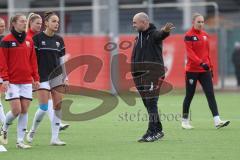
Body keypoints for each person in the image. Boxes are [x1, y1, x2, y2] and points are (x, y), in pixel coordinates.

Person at [131, 12, 174, 142]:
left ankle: (152, 131)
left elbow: (161, 35)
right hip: (139, 75)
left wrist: (165, 31)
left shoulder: (153, 34)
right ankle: (158, 130)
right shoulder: (138, 37)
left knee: (151, 102)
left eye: (135, 22)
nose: (133, 25)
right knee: (147, 103)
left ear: (144, 22)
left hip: (153, 74)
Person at [182, 13, 230, 129]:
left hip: (205, 70)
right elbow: (190, 53)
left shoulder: (205, 35)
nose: (201, 24)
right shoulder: (188, 35)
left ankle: (217, 121)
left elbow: (207, 54)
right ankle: (184, 121)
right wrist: (200, 63)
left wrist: (210, 68)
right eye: (198, 22)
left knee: (210, 94)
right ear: (193, 22)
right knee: (189, 95)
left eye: (202, 22)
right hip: (192, 70)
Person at [27, 11, 67, 146]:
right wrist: (33, 77)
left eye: (58, 22)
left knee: (58, 106)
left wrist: (65, 77)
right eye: (54, 21)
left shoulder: (59, 40)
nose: (57, 24)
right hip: (41, 77)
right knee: (44, 107)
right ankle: (32, 130)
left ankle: (55, 138)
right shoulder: (37, 39)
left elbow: (62, 61)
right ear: (47, 23)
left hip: (56, 77)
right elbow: (31, 59)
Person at [0, 14, 40, 149]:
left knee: (24, 110)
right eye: (22, 21)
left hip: (27, 81)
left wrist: (36, 77)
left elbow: (33, 60)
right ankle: (4, 128)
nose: (24, 23)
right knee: (16, 110)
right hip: (12, 82)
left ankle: (20, 141)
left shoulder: (29, 40)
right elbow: (2, 62)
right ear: (14, 23)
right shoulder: (6, 40)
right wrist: (5, 79)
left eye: (25, 21)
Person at [0, 18, 6, 125]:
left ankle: (5, 123)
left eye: (3, 25)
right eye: (0, 25)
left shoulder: (5, 40)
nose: (2, 28)